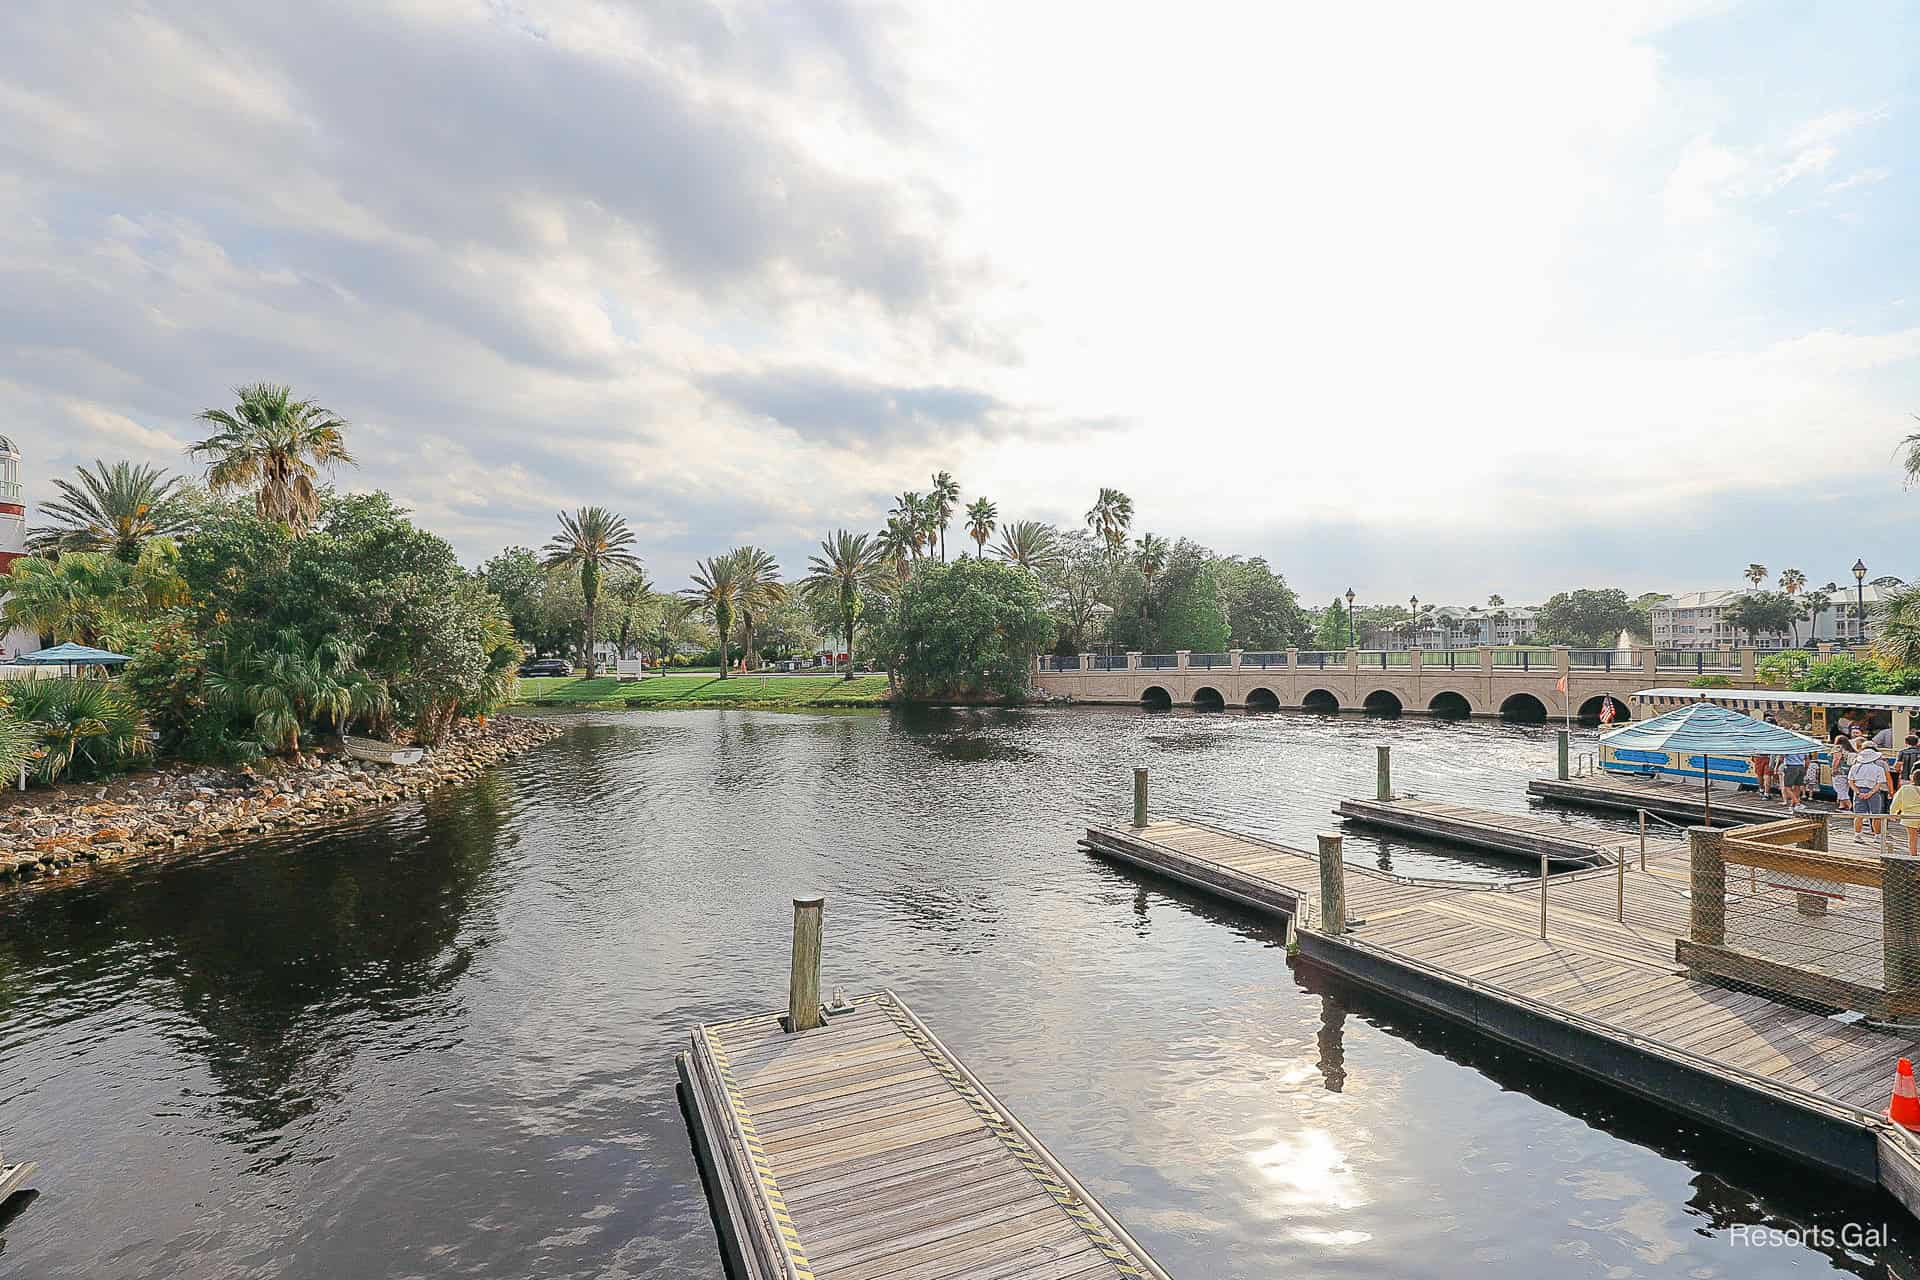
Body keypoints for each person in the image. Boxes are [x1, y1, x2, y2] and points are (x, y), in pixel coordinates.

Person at [1851, 746, 1891, 842]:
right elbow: (1879, 784)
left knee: (1858, 815)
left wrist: (1857, 792)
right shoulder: (1878, 769)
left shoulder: (1854, 768)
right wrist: (1871, 793)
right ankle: (1877, 836)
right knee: (1876, 815)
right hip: (1874, 792)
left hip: (1858, 791)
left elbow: (1850, 782)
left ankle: (1857, 835)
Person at [1896, 773, 1920, 857]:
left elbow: (1896, 802)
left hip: (1910, 817)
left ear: (1913, 778)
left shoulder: (1905, 788)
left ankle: (1913, 857)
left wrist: (1893, 813)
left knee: (1912, 838)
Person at [1781, 746, 1811, 812]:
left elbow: (1781, 757)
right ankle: (1792, 805)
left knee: (1787, 788)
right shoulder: (1804, 747)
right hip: (1801, 767)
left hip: (1791, 767)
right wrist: (1805, 769)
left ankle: (1798, 804)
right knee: (1797, 787)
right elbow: (1807, 760)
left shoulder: (1788, 747)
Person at [1832, 734, 1855, 811]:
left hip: (1839, 771)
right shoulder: (1849, 749)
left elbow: (1836, 759)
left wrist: (1833, 769)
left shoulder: (1837, 748)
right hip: (1848, 771)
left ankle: (1850, 805)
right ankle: (1842, 805)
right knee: (1845, 789)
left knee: (1839, 789)